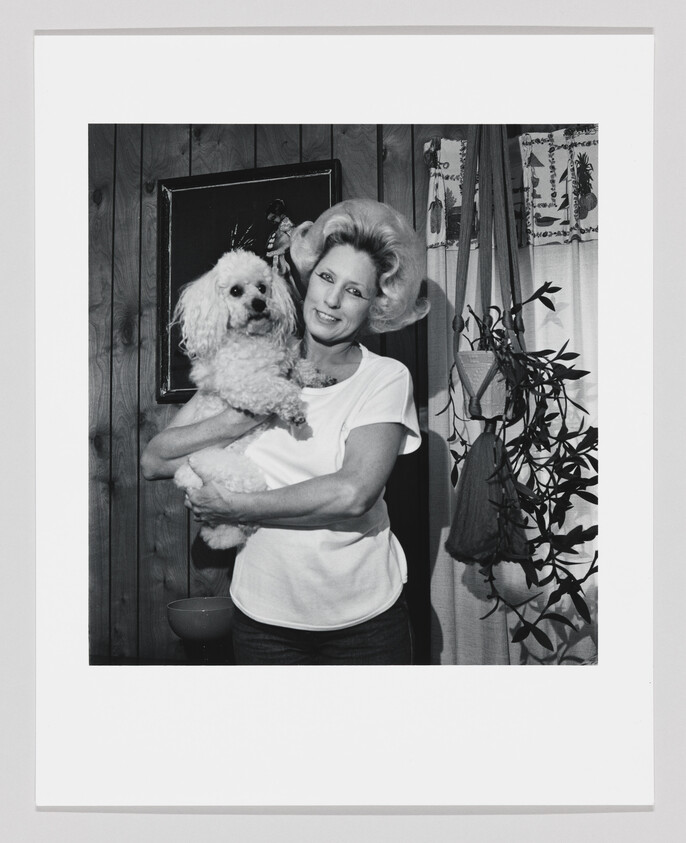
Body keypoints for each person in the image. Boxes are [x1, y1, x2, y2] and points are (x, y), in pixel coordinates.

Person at [141, 199, 430, 665]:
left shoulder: (386, 378)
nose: (332, 300)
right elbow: (156, 460)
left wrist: (238, 507)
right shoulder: (251, 361)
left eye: (355, 291)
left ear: (377, 305)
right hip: (262, 617)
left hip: (363, 619)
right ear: (306, 278)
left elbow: (352, 493)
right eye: (327, 278)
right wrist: (240, 417)